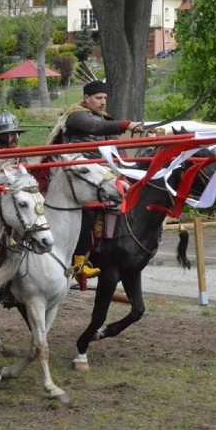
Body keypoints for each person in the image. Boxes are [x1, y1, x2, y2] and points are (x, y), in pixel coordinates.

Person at [49, 80, 144, 287]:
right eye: (98, 98)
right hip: (74, 174)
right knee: (90, 207)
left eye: (105, 99)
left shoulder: (104, 119)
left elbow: (117, 150)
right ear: (86, 98)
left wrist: (127, 172)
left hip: (102, 174)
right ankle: (79, 263)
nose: (102, 102)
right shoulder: (75, 115)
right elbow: (94, 127)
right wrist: (126, 124)